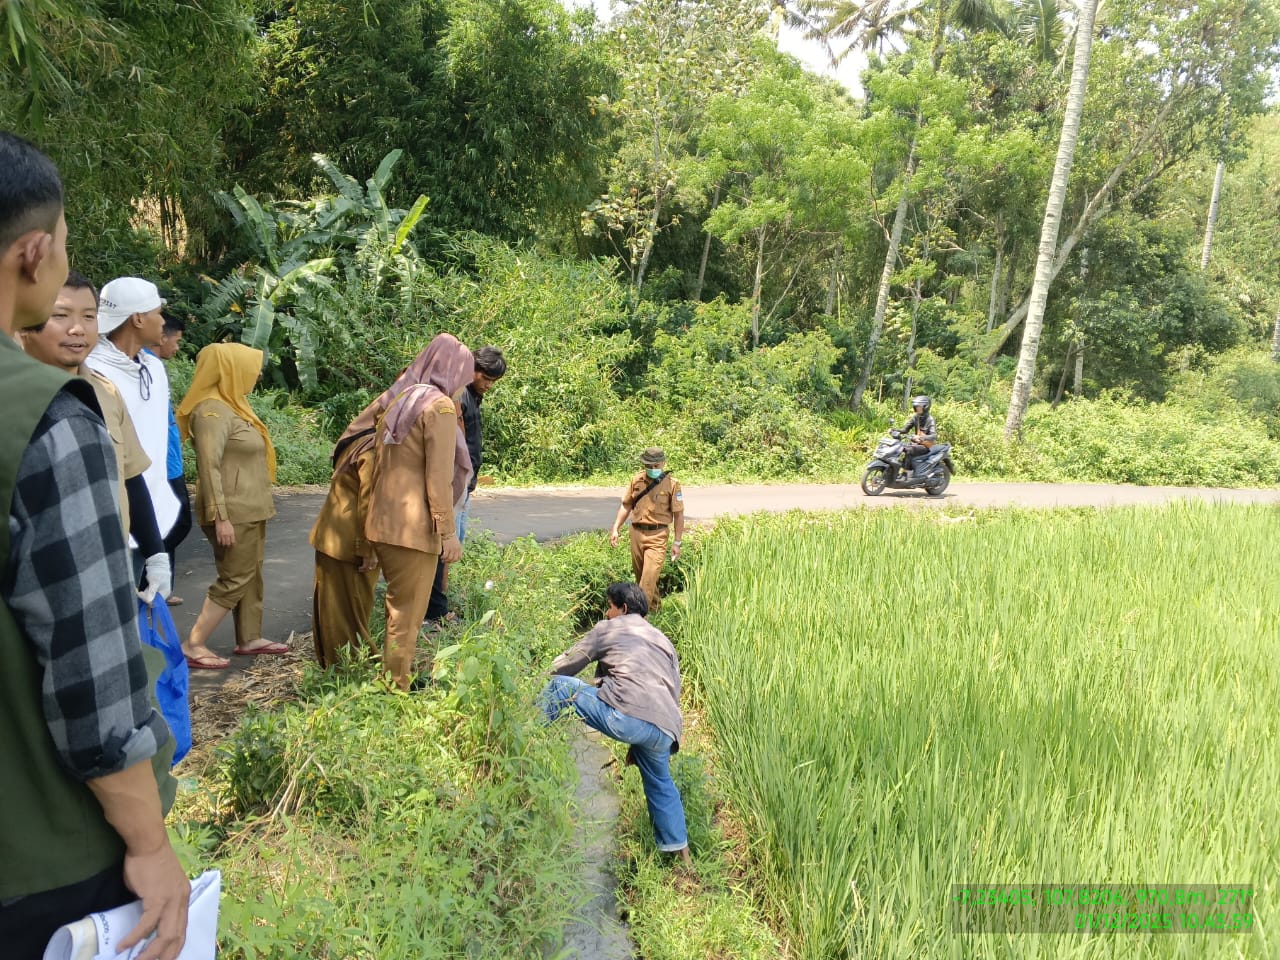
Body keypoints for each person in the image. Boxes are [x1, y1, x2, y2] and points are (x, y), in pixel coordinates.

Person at [0, 130, 189, 960]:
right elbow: (91, 675)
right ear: (34, 254)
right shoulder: (44, 416)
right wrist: (148, 844)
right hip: (38, 864)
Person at [18, 271, 171, 604]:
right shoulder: (12, 398)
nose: (78, 328)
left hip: (110, 564)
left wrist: (155, 554)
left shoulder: (105, 390)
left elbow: (130, 475)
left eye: (89, 316)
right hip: (36, 580)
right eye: (60, 315)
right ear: (25, 321)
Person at [540, 582, 691, 865]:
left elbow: (568, 664)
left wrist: (535, 676)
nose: (606, 613)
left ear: (622, 609)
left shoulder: (607, 628)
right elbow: (672, 688)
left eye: (609, 607)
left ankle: (526, 748)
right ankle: (683, 861)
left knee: (559, 687)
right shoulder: (663, 640)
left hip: (628, 718)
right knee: (660, 782)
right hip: (665, 728)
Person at [365, 333, 473, 690]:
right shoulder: (438, 407)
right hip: (413, 530)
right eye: (465, 377)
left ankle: (396, 674)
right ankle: (396, 687)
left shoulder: (403, 399)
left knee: (397, 607)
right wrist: (447, 533)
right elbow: (438, 478)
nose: (464, 387)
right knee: (407, 616)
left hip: (383, 522)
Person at [176, 342, 283, 668]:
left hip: (251, 507)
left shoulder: (234, 407)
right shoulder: (211, 411)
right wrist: (219, 516)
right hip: (233, 511)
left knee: (251, 575)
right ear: (230, 370)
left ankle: (250, 638)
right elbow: (208, 467)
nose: (257, 373)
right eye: (251, 367)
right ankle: (193, 644)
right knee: (235, 577)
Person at [84, 276, 181, 558]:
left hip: (156, 513)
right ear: (138, 319)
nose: (163, 321)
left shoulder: (153, 367)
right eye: (157, 313)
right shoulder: (93, 372)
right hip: (117, 520)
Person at [425, 344, 507, 624]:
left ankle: (439, 604)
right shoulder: (457, 397)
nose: (488, 386)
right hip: (453, 486)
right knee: (443, 546)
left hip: (464, 486)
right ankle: (434, 611)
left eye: (493, 382)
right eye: (485, 378)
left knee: (451, 547)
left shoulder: (472, 396)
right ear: (471, 370)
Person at [609, 447, 684, 613]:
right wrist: (616, 528)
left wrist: (677, 542)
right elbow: (626, 505)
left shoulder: (672, 484)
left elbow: (679, 515)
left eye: (656, 466)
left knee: (647, 580)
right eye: (649, 466)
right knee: (641, 576)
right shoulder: (637, 480)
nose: (653, 469)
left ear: (663, 463)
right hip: (636, 533)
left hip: (658, 535)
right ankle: (656, 610)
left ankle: (637, 619)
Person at [149, 312, 191, 604]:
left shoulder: (157, 367)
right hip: (159, 464)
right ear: (162, 337)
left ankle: (164, 587)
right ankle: (148, 576)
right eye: (175, 340)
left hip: (172, 460)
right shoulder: (143, 366)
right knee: (177, 522)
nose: (177, 347)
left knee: (171, 520)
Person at [900, 395, 937, 474]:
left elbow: (934, 436)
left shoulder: (930, 419)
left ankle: (906, 473)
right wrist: (895, 430)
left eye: (919, 406)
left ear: (926, 407)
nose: (917, 408)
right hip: (917, 443)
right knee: (900, 447)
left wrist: (921, 437)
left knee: (909, 450)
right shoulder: (916, 417)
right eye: (916, 406)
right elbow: (905, 429)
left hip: (926, 446)